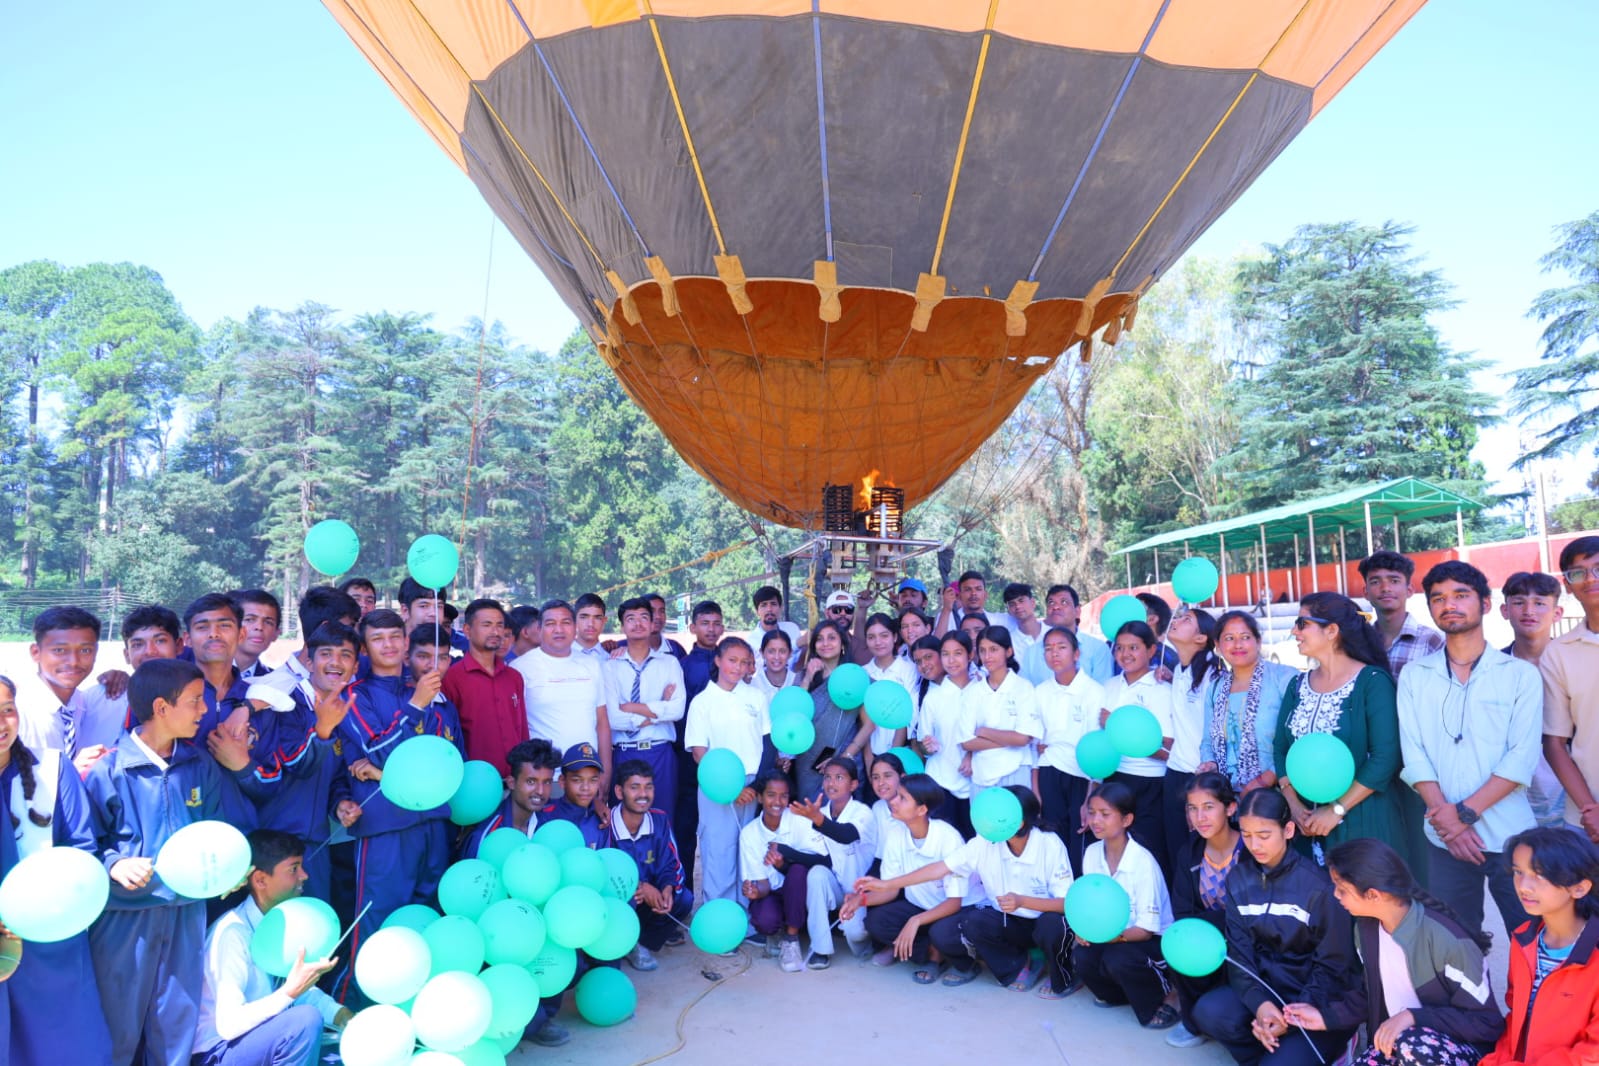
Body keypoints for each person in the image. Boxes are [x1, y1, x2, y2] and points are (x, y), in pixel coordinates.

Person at [85, 658, 256, 1066]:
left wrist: (229, 869)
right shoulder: (110, 769)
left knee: (176, 1024)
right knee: (117, 1025)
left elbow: (215, 829)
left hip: (186, 912)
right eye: (195, 701)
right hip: (126, 917)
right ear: (161, 708)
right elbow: (84, 845)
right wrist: (113, 863)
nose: (204, 710)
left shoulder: (199, 764)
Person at [1399, 561, 1540, 943]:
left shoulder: (1520, 675)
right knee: (1456, 945)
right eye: (1438, 598)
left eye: (1461, 595)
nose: (1449, 605)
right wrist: (1447, 823)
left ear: (1486, 604)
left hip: (1510, 835)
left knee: (1530, 940)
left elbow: (1521, 758)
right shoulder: (1415, 676)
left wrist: (1462, 816)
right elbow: (1414, 754)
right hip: (1442, 839)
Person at [332, 615, 462, 998]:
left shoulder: (428, 690)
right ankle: (354, 1006)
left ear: (406, 643)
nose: (388, 645)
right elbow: (379, 750)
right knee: (377, 920)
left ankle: (414, 1004)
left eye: (394, 637)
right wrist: (416, 705)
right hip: (384, 825)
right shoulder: (354, 696)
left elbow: (440, 761)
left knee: (425, 916)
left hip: (433, 821)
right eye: (377, 638)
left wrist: (380, 773)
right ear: (364, 647)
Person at [1284, 838, 1503, 1066]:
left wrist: (1413, 1017)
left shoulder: (1448, 941)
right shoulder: (1366, 929)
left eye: (1343, 890)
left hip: (1454, 1051)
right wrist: (1324, 1018)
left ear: (1373, 895)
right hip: (1397, 1048)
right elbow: (1370, 994)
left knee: (1412, 1045)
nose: (1336, 895)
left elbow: (1487, 1022)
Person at [1192, 788, 1358, 1066]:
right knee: (1209, 1012)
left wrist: (1291, 1018)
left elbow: (1334, 966)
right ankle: (1267, 1047)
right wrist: (1261, 1006)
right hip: (1269, 990)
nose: (1254, 845)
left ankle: (1334, 1048)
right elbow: (1240, 956)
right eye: (1246, 835)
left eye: (1264, 835)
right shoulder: (1238, 880)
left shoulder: (1319, 888)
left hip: (1315, 1000)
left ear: (1288, 830)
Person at [0, 674, 115, 1065]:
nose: (2, 723)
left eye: (7, 710)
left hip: (48, 936)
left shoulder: (51, 768)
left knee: (64, 1045)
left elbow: (81, 848)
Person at [884, 786, 1074, 995]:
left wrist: (1022, 901)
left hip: (1042, 919)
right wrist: (888, 885)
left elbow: (1066, 904)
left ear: (1019, 823)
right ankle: (1020, 965)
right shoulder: (984, 841)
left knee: (1053, 926)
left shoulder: (1049, 843)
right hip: (1008, 920)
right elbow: (940, 868)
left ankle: (1063, 977)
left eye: (997, 814)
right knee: (963, 926)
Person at [194, 830, 353, 1066]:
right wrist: (289, 992)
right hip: (218, 1052)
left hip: (255, 1041)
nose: (305, 876)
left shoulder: (282, 924)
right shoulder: (233, 933)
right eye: (294, 869)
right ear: (260, 880)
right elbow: (229, 1025)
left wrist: (342, 1016)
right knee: (305, 1021)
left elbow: (299, 991)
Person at [1276, 592, 1407, 867]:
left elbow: (1385, 758)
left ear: (1331, 631)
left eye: (1302, 624)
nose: (1294, 631)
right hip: (1304, 827)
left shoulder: (1372, 682)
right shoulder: (1297, 685)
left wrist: (1336, 809)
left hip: (1362, 823)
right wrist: (1294, 805)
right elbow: (1281, 749)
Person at [246, 622, 359, 902]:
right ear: (308, 661)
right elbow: (295, 765)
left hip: (316, 841)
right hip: (276, 843)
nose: (335, 662)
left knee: (315, 920)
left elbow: (334, 776)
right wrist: (322, 730)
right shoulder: (282, 703)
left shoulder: (342, 709)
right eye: (326, 654)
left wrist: (339, 804)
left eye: (345, 655)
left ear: (356, 666)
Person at [1480, 827, 1599, 1066]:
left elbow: (1593, 1052)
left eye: (1540, 874)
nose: (1524, 886)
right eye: (1518, 872)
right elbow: (1516, 1019)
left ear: (1580, 888)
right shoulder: (1524, 939)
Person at [1075, 780, 1179, 1029]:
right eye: (1092, 812)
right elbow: (1091, 906)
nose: (1096, 820)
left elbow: (1146, 930)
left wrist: (1108, 937)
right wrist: (1084, 931)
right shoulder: (1091, 853)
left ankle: (1166, 995)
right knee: (1082, 955)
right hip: (1112, 935)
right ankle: (1120, 995)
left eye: (1105, 814)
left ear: (1127, 820)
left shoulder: (1142, 861)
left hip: (1150, 941)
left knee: (1118, 958)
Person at [847, 773, 971, 981]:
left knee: (942, 932)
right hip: (921, 905)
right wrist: (860, 900)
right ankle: (931, 950)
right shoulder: (896, 834)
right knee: (876, 922)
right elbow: (890, 890)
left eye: (902, 798)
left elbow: (954, 903)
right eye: (897, 795)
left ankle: (954, 960)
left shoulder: (948, 838)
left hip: (954, 911)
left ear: (922, 810)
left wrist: (916, 920)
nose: (893, 801)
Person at [683, 636, 770, 903]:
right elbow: (699, 752)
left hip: (753, 786)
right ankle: (720, 914)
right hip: (716, 786)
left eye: (744, 662)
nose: (738, 667)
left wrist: (756, 787)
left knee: (750, 852)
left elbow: (767, 743)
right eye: (732, 660)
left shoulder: (756, 696)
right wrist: (730, 789)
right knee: (718, 851)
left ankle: (747, 915)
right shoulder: (702, 702)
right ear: (718, 660)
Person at [1167, 773, 1244, 1050]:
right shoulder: (1190, 852)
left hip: (1245, 946)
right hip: (1207, 941)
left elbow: (1252, 917)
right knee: (1180, 939)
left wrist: (1211, 924)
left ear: (1230, 808)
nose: (1200, 817)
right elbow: (1182, 910)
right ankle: (1192, 1022)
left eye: (1209, 807)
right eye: (1193, 808)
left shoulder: (1250, 851)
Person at [515, 599, 612, 793]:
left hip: (588, 774)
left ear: (575, 627)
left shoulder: (591, 664)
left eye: (566, 623)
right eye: (551, 623)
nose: (559, 629)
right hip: (545, 778)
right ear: (539, 629)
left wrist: (606, 771)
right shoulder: (521, 668)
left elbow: (602, 722)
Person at [74, 605, 184, 775]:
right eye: (138, 644)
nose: (150, 651)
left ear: (179, 646)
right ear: (126, 655)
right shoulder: (95, 699)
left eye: (160, 640)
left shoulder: (195, 703)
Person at [787, 756, 876, 967]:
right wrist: (784, 852)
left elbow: (846, 835)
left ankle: (867, 944)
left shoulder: (863, 812)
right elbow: (821, 859)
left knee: (856, 933)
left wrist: (817, 819)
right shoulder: (822, 812)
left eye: (839, 778)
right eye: (827, 777)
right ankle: (820, 949)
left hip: (861, 892)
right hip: (836, 888)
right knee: (817, 874)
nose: (831, 783)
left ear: (854, 785)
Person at [604, 759, 691, 972]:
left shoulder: (659, 820)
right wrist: (640, 886)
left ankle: (639, 943)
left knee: (683, 899)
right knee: (626, 899)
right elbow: (603, 873)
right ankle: (620, 941)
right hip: (619, 900)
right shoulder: (606, 824)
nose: (643, 794)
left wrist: (668, 888)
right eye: (634, 787)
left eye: (648, 787)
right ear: (619, 791)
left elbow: (672, 864)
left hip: (649, 900)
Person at [739, 771, 831, 972]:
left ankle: (791, 939)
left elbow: (824, 861)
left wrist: (785, 857)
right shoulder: (749, 833)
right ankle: (778, 931)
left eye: (783, 796)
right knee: (765, 921)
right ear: (760, 797)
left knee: (797, 871)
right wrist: (755, 892)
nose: (777, 802)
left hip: (801, 893)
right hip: (773, 892)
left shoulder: (799, 820)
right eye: (771, 795)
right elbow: (763, 885)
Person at [1034, 626, 1107, 875]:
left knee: (1081, 842)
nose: (1054, 653)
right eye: (1048, 649)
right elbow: (1035, 746)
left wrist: (1090, 797)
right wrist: (1036, 791)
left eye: (1061, 647)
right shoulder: (1040, 692)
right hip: (1049, 772)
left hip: (1081, 776)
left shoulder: (1094, 692)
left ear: (1076, 653)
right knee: (1054, 841)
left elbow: (1097, 750)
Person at [1100, 620, 1175, 862]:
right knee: (1115, 852)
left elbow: (1167, 747)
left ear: (1151, 650)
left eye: (1133, 647)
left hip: (1149, 781)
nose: (1125, 654)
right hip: (1113, 776)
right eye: (1120, 648)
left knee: (1148, 851)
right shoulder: (1109, 686)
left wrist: (1117, 727)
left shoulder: (1162, 689)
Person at [1199, 611, 1297, 795]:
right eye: (1229, 638)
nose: (1238, 644)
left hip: (1279, 792)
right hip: (1227, 795)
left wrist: (1268, 778)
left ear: (1258, 642)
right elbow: (1207, 741)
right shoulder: (1215, 688)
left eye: (1245, 637)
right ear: (1217, 646)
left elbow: (1299, 738)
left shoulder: (1284, 678)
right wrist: (1210, 763)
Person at [1542, 536, 1599, 845]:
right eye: (1578, 572)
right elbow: (1554, 742)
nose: (1590, 578)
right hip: (1587, 820)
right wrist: (1590, 809)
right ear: (1567, 584)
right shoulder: (1558, 652)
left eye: (1598, 568)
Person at [603, 596, 686, 810]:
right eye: (631, 618)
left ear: (651, 623)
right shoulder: (610, 666)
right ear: (622, 626)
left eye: (643, 617)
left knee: (662, 816)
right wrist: (659, 708)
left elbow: (677, 710)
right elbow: (613, 718)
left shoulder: (669, 663)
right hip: (625, 752)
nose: (638, 623)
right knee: (623, 817)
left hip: (660, 752)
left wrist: (633, 708)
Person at [1499, 571, 1566, 827]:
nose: (1529, 611)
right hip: (1512, 797)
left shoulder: (1575, 663)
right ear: (1505, 610)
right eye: (1519, 602)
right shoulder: (1491, 669)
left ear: (1557, 613)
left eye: (1539, 603)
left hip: (1575, 793)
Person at [12, 605, 106, 777]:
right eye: (59, 650)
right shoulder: (17, 710)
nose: (73, 661)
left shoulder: (80, 703)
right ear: (35, 652)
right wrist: (69, 774)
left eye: (85, 650)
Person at [442, 597, 526, 778]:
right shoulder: (451, 678)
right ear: (467, 630)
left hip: (514, 779)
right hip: (473, 781)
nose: (495, 631)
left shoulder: (514, 677)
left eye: (499, 625)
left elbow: (522, 730)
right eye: (487, 625)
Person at [1168, 607, 1221, 879]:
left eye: (1186, 620)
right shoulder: (1178, 670)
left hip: (1200, 776)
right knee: (1176, 851)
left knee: (1199, 857)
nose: (1176, 621)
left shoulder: (1213, 674)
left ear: (1201, 638)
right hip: (1175, 772)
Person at [674, 600, 725, 882]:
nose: (711, 629)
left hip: (723, 760)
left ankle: (720, 891)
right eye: (705, 623)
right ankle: (684, 892)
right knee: (685, 830)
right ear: (693, 627)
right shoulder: (682, 666)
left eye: (716, 623)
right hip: (688, 761)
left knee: (720, 833)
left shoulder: (730, 663)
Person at [795, 620, 873, 801]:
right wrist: (808, 677)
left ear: (842, 643)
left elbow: (869, 725)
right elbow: (796, 715)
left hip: (845, 759)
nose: (825, 643)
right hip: (807, 761)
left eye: (831, 638)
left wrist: (844, 757)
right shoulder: (803, 675)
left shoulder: (855, 677)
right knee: (810, 810)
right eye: (819, 639)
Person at [959, 626, 1041, 790]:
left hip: (1016, 771)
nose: (987, 656)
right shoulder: (972, 691)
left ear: (1008, 651)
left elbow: (1022, 739)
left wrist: (984, 732)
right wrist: (1009, 740)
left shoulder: (1023, 688)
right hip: (981, 776)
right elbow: (966, 742)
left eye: (994, 649)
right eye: (982, 650)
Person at [915, 632, 974, 837]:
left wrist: (971, 755)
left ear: (970, 655)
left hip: (977, 782)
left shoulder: (982, 691)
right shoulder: (933, 697)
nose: (951, 660)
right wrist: (927, 747)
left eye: (958, 653)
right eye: (946, 654)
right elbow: (923, 744)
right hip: (940, 783)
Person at [464, 738, 560, 857]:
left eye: (547, 782)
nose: (540, 791)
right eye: (531, 781)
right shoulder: (487, 834)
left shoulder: (549, 824)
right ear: (511, 783)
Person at [1360, 551, 1445, 677]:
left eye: (1394, 581)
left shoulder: (1433, 642)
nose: (1385, 588)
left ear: (1409, 590)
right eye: (1375, 582)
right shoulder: (1359, 642)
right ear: (1366, 593)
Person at [1022, 583, 1114, 685]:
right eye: (1051, 603)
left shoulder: (1098, 649)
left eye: (1064, 602)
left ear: (1077, 611)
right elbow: (1024, 691)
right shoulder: (1031, 653)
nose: (1056, 607)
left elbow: (1103, 689)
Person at [863, 612, 917, 761]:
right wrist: (868, 759)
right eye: (871, 637)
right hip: (870, 754)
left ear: (895, 637)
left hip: (900, 754)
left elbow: (907, 714)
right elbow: (862, 721)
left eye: (884, 635)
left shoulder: (909, 669)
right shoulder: (863, 673)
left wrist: (892, 757)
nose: (878, 642)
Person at [540, 743, 609, 849]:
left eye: (593, 780)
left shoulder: (602, 821)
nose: (585, 787)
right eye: (577, 780)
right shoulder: (546, 815)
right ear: (562, 781)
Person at [935, 570, 1014, 636]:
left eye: (978, 589)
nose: (973, 593)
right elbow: (937, 644)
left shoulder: (1001, 620)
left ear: (986, 595)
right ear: (960, 596)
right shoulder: (947, 617)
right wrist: (946, 609)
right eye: (968, 589)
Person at [232, 590, 284, 680]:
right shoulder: (206, 673)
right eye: (249, 620)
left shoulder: (275, 682)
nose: (259, 627)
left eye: (268, 622)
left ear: (276, 634)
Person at [749, 585, 803, 662]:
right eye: (764, 605)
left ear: (781, 608)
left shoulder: (792, 628)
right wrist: (799, 642)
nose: (769, 609)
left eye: (773, 604)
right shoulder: (751, 642)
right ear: (757, 611)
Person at [1003, 582, 1046, 658]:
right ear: (1008, 610)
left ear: (1033, 603)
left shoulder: (1053, 632)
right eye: (1012, 604)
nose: (1017, 606)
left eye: (1021, 601)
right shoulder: (1009, 641)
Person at [751, 629, 796, 700]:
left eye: (782, 651)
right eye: (771, 651)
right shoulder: (753, 684)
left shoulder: (797, 681)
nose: (777, 657)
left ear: (790, 653)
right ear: (762, 653)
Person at [573, 592, 611, 664]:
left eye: (597, 618)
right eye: (584, 617)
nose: (590, 624)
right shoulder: (559, 655)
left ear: (604, 621)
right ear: (574, 619)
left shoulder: (612, 659)